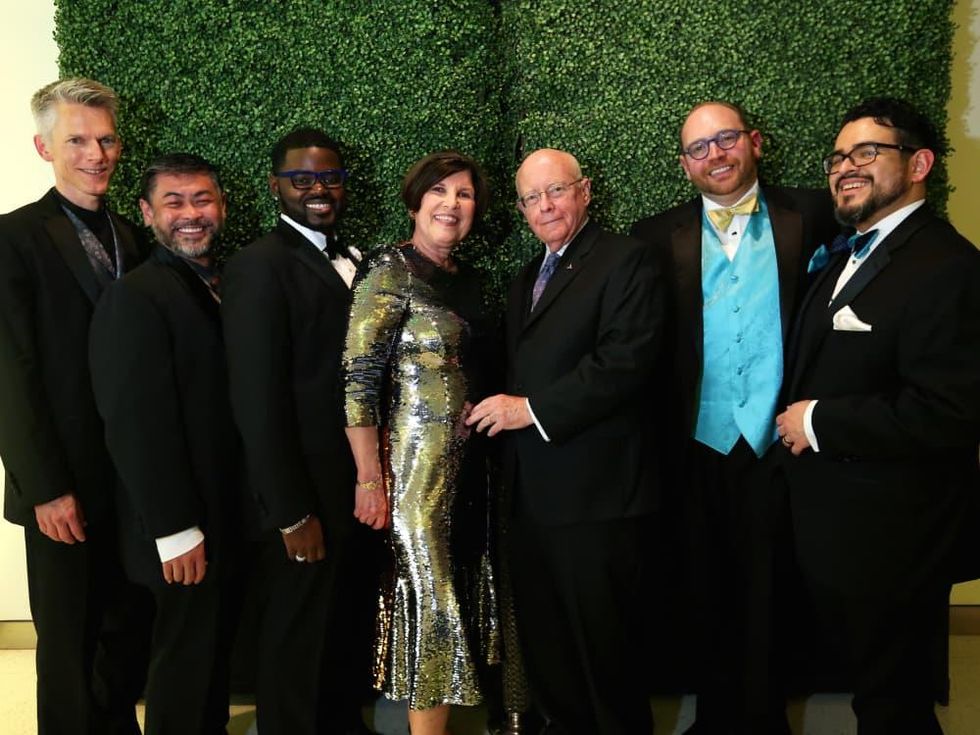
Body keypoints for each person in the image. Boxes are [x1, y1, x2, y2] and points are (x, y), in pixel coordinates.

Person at [629, 101, 836, 733]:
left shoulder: (815, 215)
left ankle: (766, 717)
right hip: (696, 439)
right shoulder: (653, 236)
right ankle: (714, 716)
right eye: (699, 147)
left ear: (755, 142)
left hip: (783, 435)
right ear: (685, 163)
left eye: (726, 140)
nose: (715, 155)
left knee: (775, 586)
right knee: (703, 583)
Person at [775, 97, 980, 734]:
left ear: (919, 163)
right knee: (878, 693)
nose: (845, 167)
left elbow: (950, 412)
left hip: (899, 536)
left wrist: (817, 422)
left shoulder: (949, 266)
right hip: (844, 532)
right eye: (838, 156)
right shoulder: (845, 254)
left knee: (897, 704)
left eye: (867, 152)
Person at [467, 148, 662, 734]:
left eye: (556, 191)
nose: (545, 206)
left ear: (585, 191)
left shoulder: (627, 260)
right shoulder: (529, 275)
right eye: (531, 198)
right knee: (551, 651)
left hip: (599, 500)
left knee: (606, 655)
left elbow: (626, 363)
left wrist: (530, 410)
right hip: (533, 500)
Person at [0, 77, 151, 734]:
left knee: (126, 631)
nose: (97, 153)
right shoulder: (12, 237)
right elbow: (10, 372)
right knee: (66, 643)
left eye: (106, 138)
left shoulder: (132, 233)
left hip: (133, 483)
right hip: (61, 484)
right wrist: (46, 487)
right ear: (43, 147)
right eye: (78, 140)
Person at [221, 127, 374, 735]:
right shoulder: (258, 265)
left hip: (352, 487)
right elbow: (256, 402)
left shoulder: (356, 258)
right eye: (302, 179)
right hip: (302, 495)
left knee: (339, 628)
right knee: (295, 638)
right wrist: (289, 511)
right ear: (275, 186)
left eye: (330, 178)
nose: (318, 190)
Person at [343, 150, 499, 735]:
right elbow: (358, 381)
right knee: (426, 600)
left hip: (474, 469)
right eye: (439, 192)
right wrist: (368, 479)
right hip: (414, 476)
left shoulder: (468, 280)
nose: (451, 205)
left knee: (457, 590)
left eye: (463, 195)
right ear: (415, 201)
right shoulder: (387, 272)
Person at [89, 153, 241, 734]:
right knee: (181, 670)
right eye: (173, 203)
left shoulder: (218, 284)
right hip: (180, 530)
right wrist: (175, 530)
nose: (190, 214)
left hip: (220, 517)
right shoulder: (137, 297)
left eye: (202, 199)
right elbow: (132, 425)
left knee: (209, 663)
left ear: (221, 206)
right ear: (147, 213)